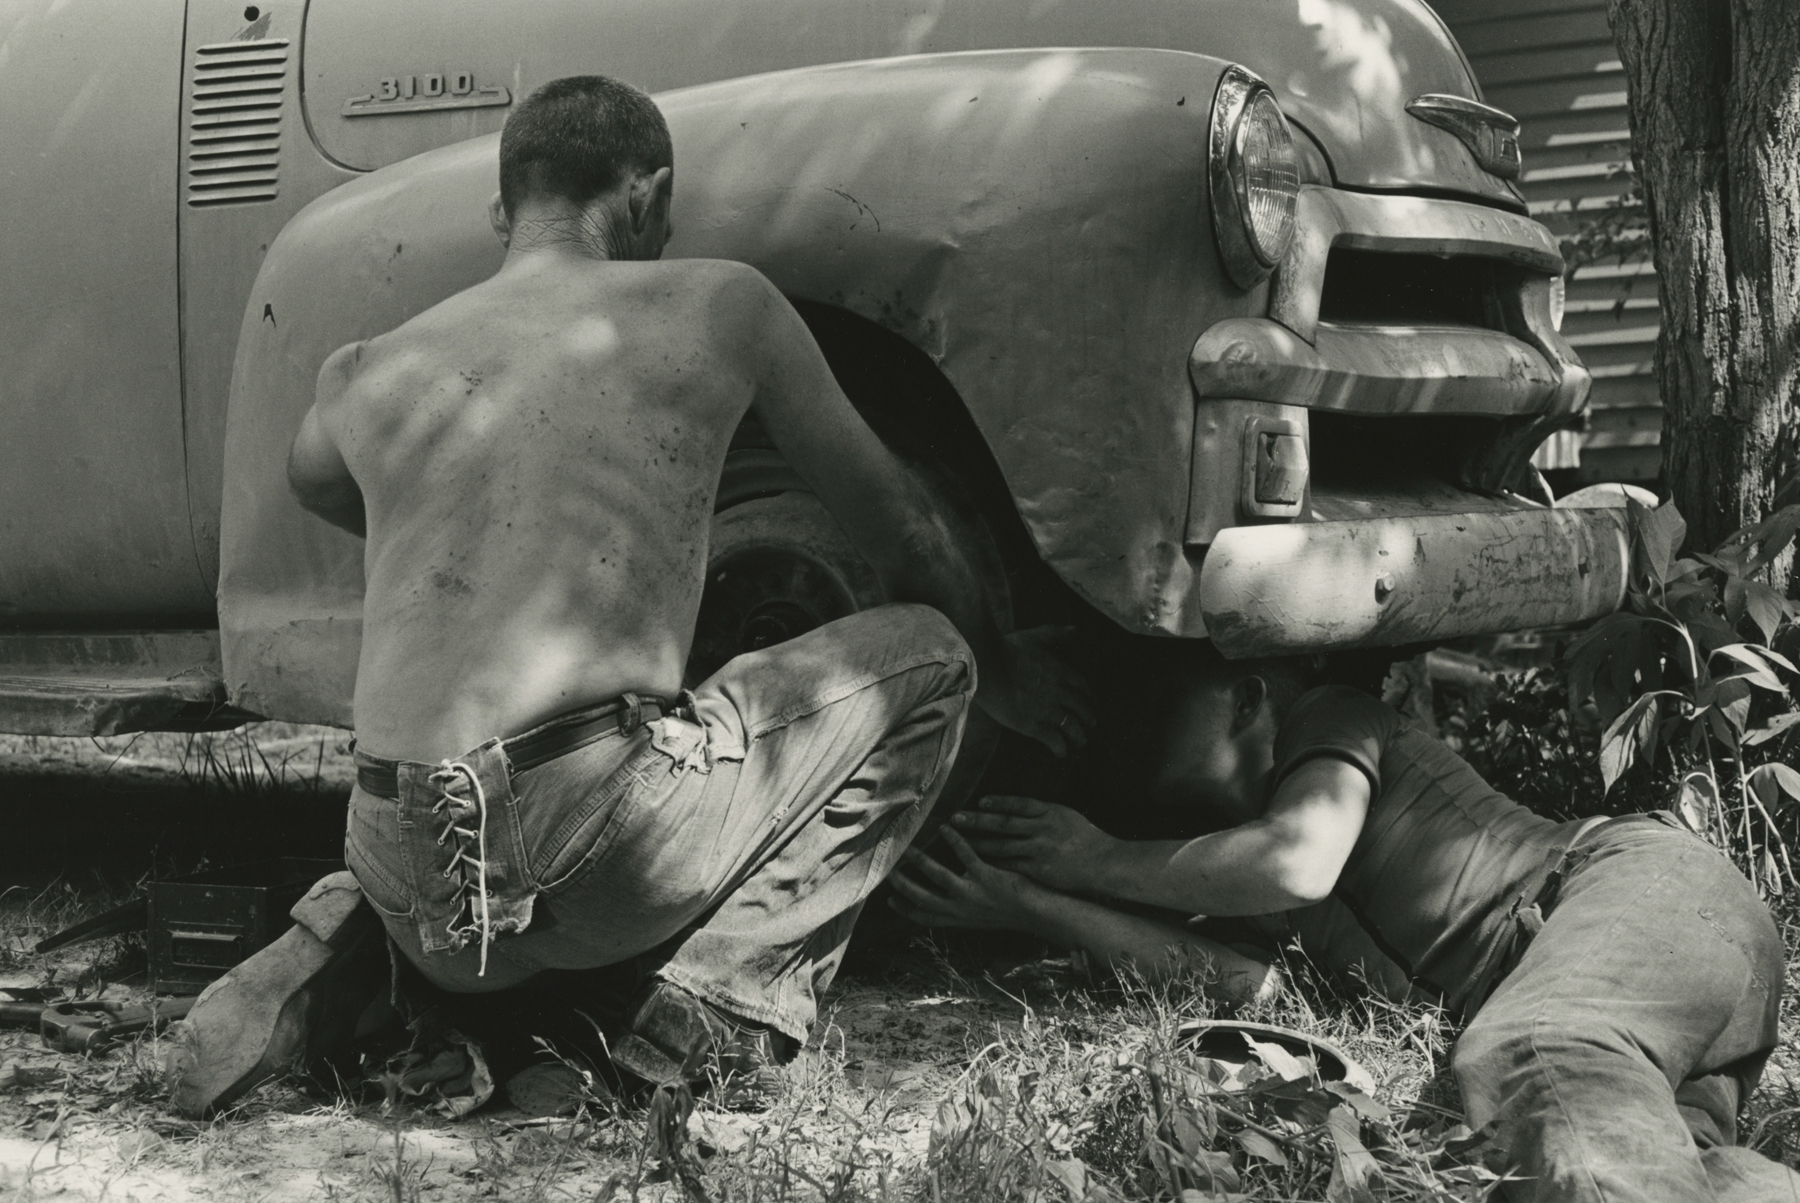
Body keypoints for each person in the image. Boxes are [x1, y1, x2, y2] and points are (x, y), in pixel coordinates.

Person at [167, 74, 1092, 1117]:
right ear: (650, 200)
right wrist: (1006, 664)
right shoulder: (728, 306)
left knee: (453, 848)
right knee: (933, 657)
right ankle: (711, 1011)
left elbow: (315, 479)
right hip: (599, 850)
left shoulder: (364, 369)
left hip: (399, 854)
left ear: (502, 214)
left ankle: (332, 953)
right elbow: (907, 531)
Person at [891, 649, 1800, 1202]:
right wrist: (1031, 904)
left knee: (1533, 1053)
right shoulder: (1239, 865)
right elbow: (1238, 985)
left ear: (1248, 696)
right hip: (1647, 983)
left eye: (1167, 694)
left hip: (1630, 892)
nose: (1141, 719)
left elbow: (1299, 858)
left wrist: (1089, 858)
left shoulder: (1325, 719)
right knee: (1674, 1161)